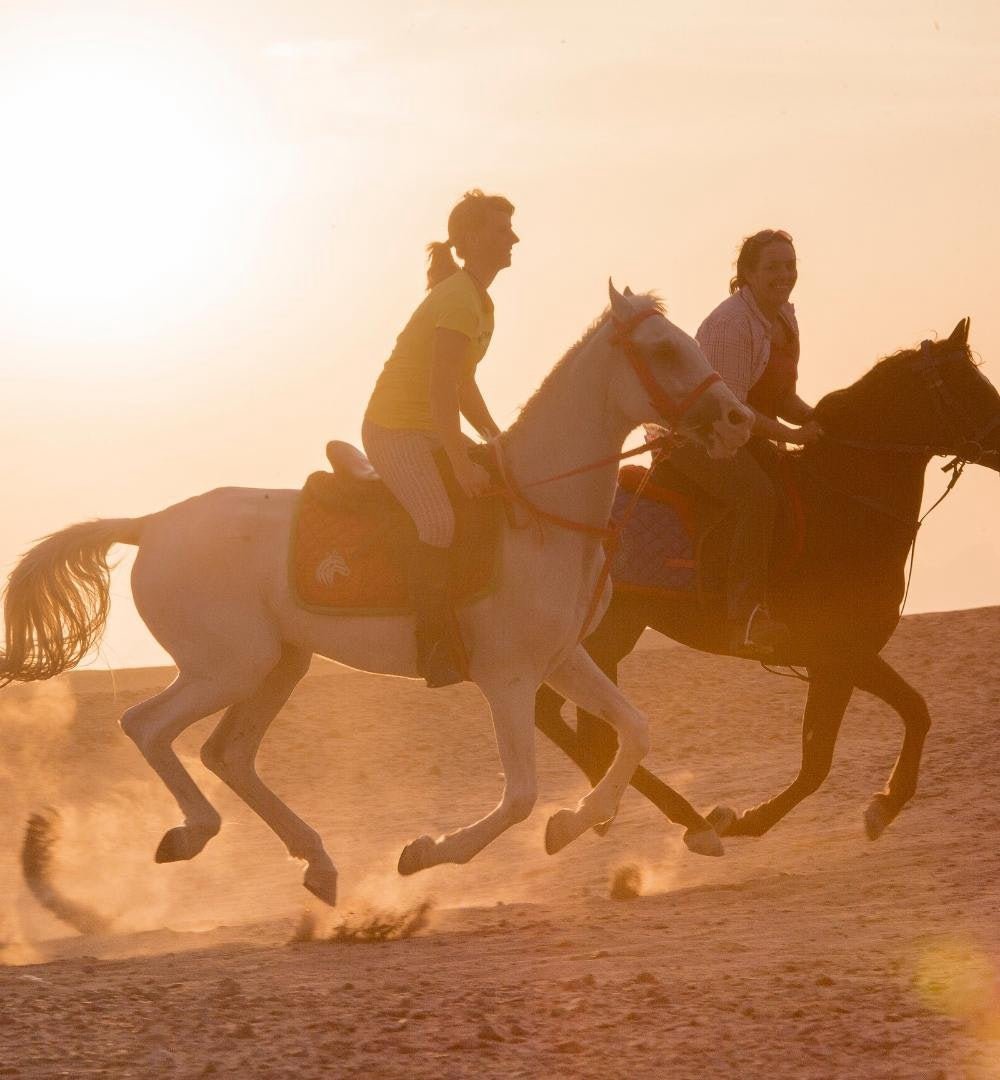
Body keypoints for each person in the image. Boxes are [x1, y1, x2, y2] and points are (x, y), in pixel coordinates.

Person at [362, 190, 518, 687]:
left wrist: (495, 437)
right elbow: (439, 390)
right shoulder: (458, 298)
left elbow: (462, 383)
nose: (514, 237)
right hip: (395, 430)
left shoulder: (478, 299)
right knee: (436, 522)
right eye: (501, 229)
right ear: (471, 239)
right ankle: (432, 644)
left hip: (429, 426)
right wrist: (460, 460)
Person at [665, 228, 821, 657]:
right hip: (697, 437)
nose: (784, 275)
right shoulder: (732, 324)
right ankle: (745, 617)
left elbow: (778, 396)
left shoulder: (784, 315)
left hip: (739, 431)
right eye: (772, 267)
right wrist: (790, 434)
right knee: (757, 496)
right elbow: (730, 410)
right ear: (747, 273)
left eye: (789, 265)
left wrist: (819, 419)